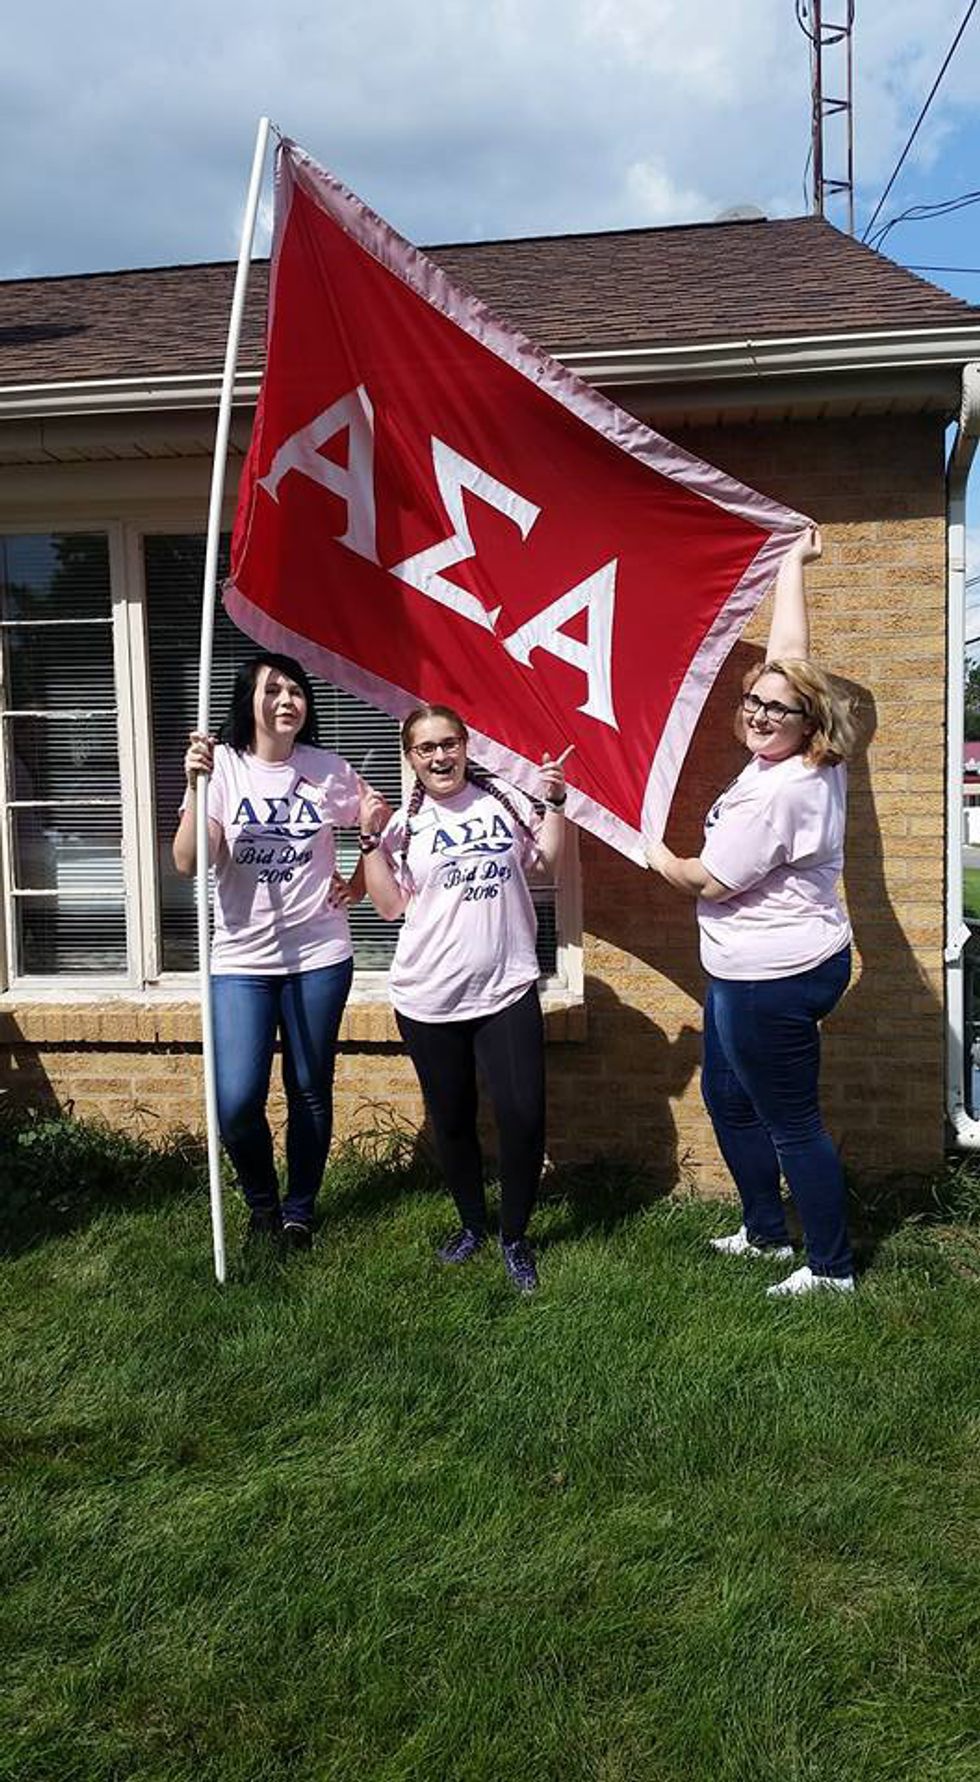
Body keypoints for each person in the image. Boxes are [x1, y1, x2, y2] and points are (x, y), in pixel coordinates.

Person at [646, 526, 857, 1296]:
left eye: (778, 709)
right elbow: (789, 654)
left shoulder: (779, 792)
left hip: (774, 976)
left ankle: (830, 1269)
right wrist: (792, 565)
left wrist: (646, 845)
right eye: (754, 702)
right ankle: (766, 1232)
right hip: (761, 966)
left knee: (792, 1122)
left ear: (809, 722)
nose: (761, 714)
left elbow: (707, 881)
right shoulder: (797, 757)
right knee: (729, 1097)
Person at [358, 705, 567, 1292]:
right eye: (426, 748)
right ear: (411, 758)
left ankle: (514, 1236)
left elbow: (544, 862)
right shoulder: (404, 824)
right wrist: (368, 839)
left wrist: (554, 804)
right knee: (452, 1119)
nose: (440, 756)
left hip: (507, 986)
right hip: (429, 995)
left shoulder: (503, 799)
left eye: (448, 743)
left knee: (524, 1116)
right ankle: (473, 1225)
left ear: (466, 746)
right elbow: (389, 907)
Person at [173, 651, 366, 1250]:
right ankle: (262, 1203)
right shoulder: (223, 768)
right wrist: (195, 787)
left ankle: (299, 1212)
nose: (287, 700)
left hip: (319, 957)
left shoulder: (327, 769)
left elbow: (380, 817)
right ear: (248, 701)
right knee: (236, 1101)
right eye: (273, 689)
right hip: (241, 962)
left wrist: (359, 882)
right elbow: (189, 860)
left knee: (309, 1087)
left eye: (296, 690)